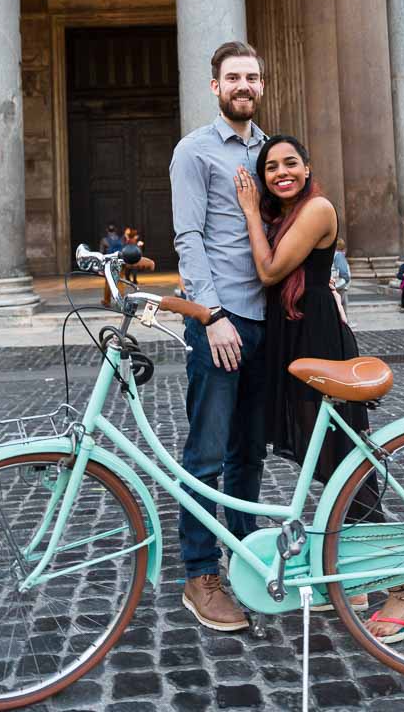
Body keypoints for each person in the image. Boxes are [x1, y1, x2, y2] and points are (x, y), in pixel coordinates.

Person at [235, 136, 404, 642]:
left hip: (319, 339)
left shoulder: (318, 207)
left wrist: (249, 213)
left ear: (308, 168)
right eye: (271, 166)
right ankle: (360, 579)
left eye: (290, 163)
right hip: (296, 337)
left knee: (344, 464)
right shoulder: (287, 214)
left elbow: (270, 270)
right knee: (320, 460)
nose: (281, 172)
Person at [170, 40, 267, 632]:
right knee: (205, 453)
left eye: (252, 78)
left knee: (248, 453)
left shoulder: (270, 151)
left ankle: (247, 558)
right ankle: (201, 572)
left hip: (266, 323)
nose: (243, 86)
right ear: (215, 87)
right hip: (220, 321)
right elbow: (189, 239)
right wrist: (211, 315)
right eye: (233, 77)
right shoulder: (194, 151)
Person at [99, 224, 123, 307]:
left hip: (109, 262)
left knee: (108, 282)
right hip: (119, 261)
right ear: (115, 230)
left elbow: (101, 253)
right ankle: (120, 300)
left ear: (107, 230)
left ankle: (107, 300)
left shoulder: (104, 240)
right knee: (119, 281)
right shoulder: (120, 239)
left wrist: (100, 266)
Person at [331, 237, 351, 319]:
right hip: (340, 286)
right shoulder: (339, 255)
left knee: (341, 308)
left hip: (338, 285)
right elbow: (344, 273)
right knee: (341, 309)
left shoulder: (335, 255)